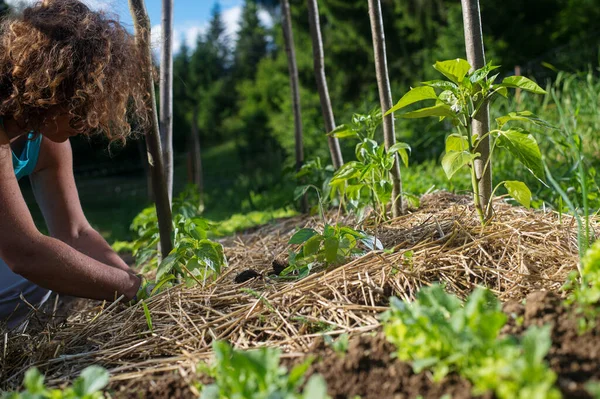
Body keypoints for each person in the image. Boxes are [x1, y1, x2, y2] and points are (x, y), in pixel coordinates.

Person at [0, 0, 150, 329]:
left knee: (43, 281)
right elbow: (24, 253)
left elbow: (76, 232)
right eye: (81, 102)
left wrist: (137, 283)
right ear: (48, 83)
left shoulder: (48, 143)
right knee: (34, 277)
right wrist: (130, 289)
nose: (91, 121)